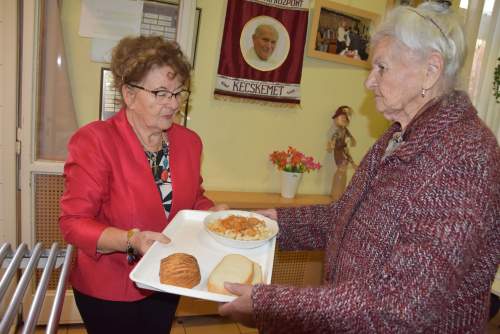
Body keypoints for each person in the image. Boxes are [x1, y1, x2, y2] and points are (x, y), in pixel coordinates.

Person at [219, 2, 500, 333]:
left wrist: (271, 304)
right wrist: (275, 223)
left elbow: (400, 307)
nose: (369, 82)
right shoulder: (398, 135)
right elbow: (347, 216)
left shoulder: (467, 157)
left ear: (431, 70)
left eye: (381, 67)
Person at [59, 36, 226, 334]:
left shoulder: (189, 142)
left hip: (165, 278)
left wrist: (213, 215)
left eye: (178, 93)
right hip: (109, 288)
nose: (173, 104)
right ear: (129, 94)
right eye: (161, 93)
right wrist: (131, 239)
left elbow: (192, 198)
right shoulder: (95, 141)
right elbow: (73, 223)